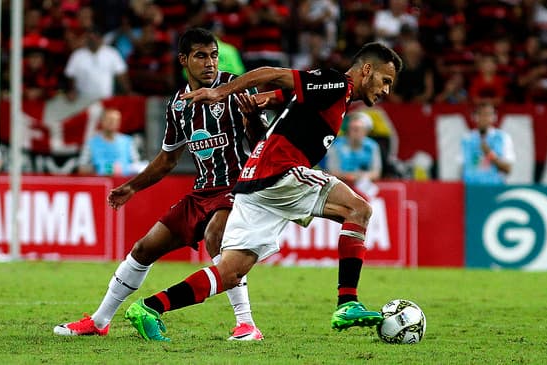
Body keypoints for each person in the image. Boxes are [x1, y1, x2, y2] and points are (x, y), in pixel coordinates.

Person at [123, 42, 403, 341]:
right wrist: (221, 92)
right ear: (367, 70)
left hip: (252, 183)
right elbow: (272, 73)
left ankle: (149, 308)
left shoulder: (332, 96)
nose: (386, 90)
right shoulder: (336, 83)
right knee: (358, 209)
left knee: (231, 272)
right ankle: (347, 302)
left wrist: (259, 102)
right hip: (280, 172)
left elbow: (276, 96)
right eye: (385, 81)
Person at [54, 28, 265, 341]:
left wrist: (255, 121)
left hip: (237, 187)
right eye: (201, 56)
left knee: (216, 238)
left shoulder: (233, 88)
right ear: (184, 60)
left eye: (214, 55)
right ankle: (99, 321)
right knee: (143, 249)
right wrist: (132, 186)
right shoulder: (179, 106)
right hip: (201, 191)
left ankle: (246, 324)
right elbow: (167, 160)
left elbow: (262, 143)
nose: (210, 63)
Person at [64, 26, 132, 101]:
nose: (93, 40)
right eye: (90, 38)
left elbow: (121, 75)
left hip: (105, 99)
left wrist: (128, 92)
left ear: (100, 38)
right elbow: (70, 76)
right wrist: (72, 90)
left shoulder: (112, 53)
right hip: (82, 101)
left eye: (95, 37)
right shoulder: (77, 55)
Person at [325, 111, 381, 197]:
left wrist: (360, 177)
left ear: (366, 131)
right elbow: (331, 170)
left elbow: (376, 172)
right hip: (340, 186)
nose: (355, 132)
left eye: (358, 129)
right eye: (352, 128)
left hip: (364, 187)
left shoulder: (372, 146)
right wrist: (348, 176)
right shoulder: (336, 145)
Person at [77, 107, 146, 176]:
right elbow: (81, 168)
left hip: (124, 183)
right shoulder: (91, 143)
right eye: (109, 120)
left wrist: (124, 169)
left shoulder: (128, 142)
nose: (112, 122)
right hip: (101, 183)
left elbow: (137, 165)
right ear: (102, 121)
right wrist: (100, 169)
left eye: (116, 120)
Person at [460, 102, 515, 185]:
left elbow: (508, 169)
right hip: (471, 189)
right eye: (481, 115)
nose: (484, 118)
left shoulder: (502, 138)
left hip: (494, 188)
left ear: (494, 117)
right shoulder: (466, 139)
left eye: (488, 115)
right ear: (475, 117)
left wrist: (489, 153)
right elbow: (462, 168)